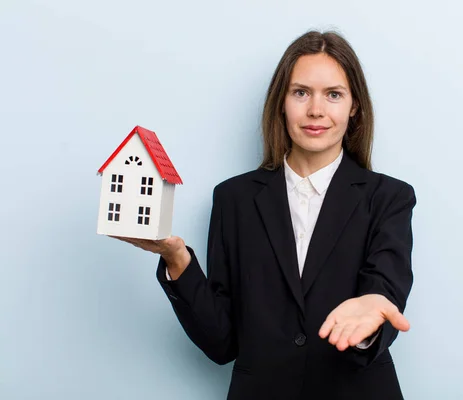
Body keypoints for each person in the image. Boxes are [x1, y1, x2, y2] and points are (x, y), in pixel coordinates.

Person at [114, 30, 417, 400]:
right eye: (300, 92)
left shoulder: (390, 198)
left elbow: (383, 291)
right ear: (281, 102)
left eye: (333, 95)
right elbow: (221, 342)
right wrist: (177, 260)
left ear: (354, 107)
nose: (316, 110)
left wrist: (370, 322)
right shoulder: (234, 199)